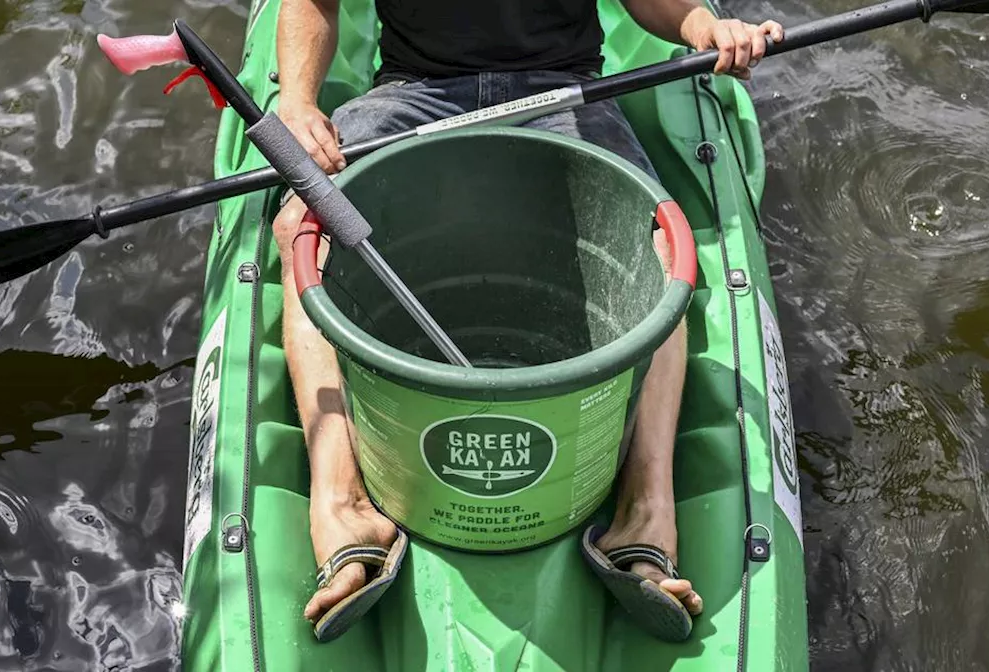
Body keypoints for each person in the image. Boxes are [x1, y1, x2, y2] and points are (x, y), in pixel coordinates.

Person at [270, 0, 784, 644]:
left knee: (657, 245)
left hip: (564, 89)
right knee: (303, 228)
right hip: (414, 93)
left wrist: (703, 26)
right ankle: (343, 506)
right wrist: (297, 100)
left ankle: (645, 511)